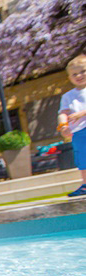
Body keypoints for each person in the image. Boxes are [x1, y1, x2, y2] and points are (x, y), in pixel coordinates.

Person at [57, 54, 86, 197]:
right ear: (70, 78)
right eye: (75, 74)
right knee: (83, 159)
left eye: (83, 71)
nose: (79, 75)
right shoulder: (68, 96)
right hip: (80, 132)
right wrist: (63, 126)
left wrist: (81, 114)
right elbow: (63, 112)